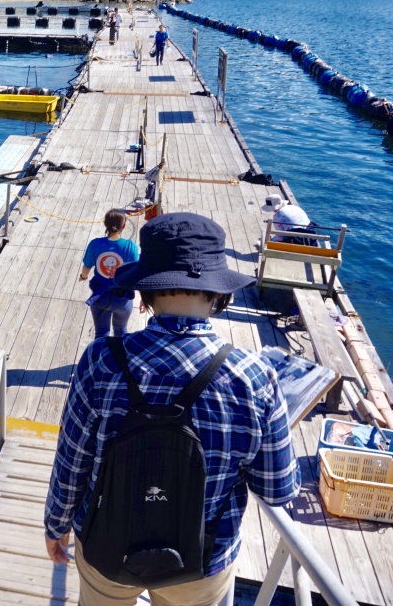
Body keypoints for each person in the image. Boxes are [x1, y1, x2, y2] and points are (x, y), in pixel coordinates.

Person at [44, 212, 299, 606]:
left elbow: (71, 463)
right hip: (201, 559)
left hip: (106, 548)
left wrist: (56, 524)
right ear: (218, 294)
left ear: (144, 293)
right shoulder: (255, 376)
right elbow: (277, 487)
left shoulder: (101, 360)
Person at [79, 209, 139, 337]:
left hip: (100, 296)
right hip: (122, 299)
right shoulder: (130, 247)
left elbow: (86, 267)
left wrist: (83, 277)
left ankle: (99, 356)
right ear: (124, 225)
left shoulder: (95, 244)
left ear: (105, 224)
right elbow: (137, 274)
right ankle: (119, 356)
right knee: (121, 330)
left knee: (101, 333)